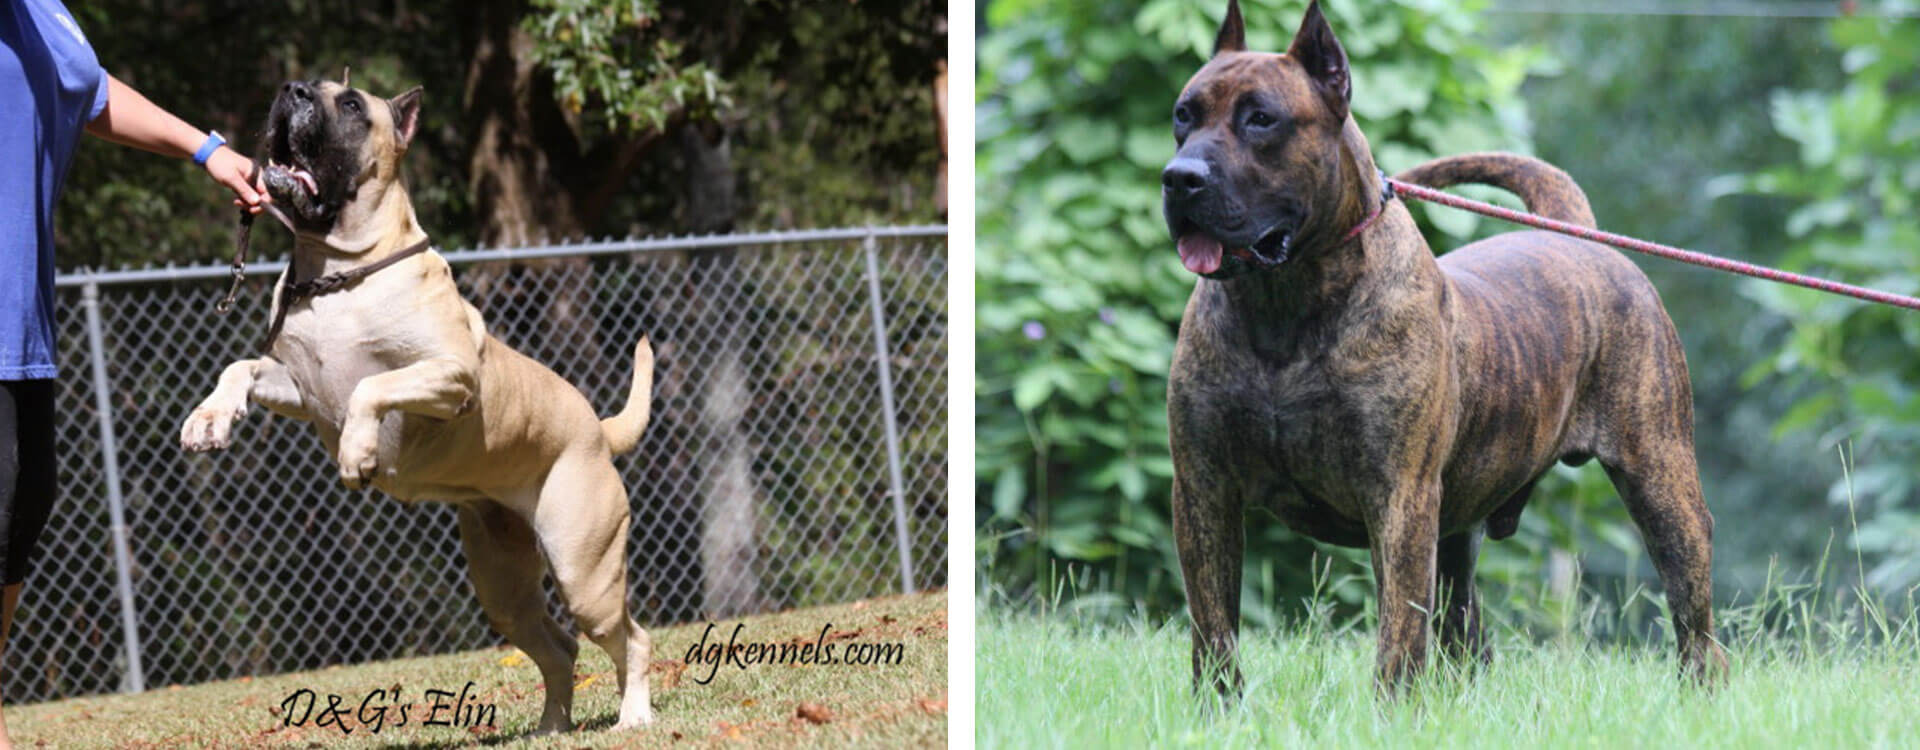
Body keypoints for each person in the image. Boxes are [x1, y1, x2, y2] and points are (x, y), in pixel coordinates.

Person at [1, 1, 267, 745]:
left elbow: (87, 89)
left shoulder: (45, 11)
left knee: (22, 501)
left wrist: (206, 149)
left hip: (20, 306)